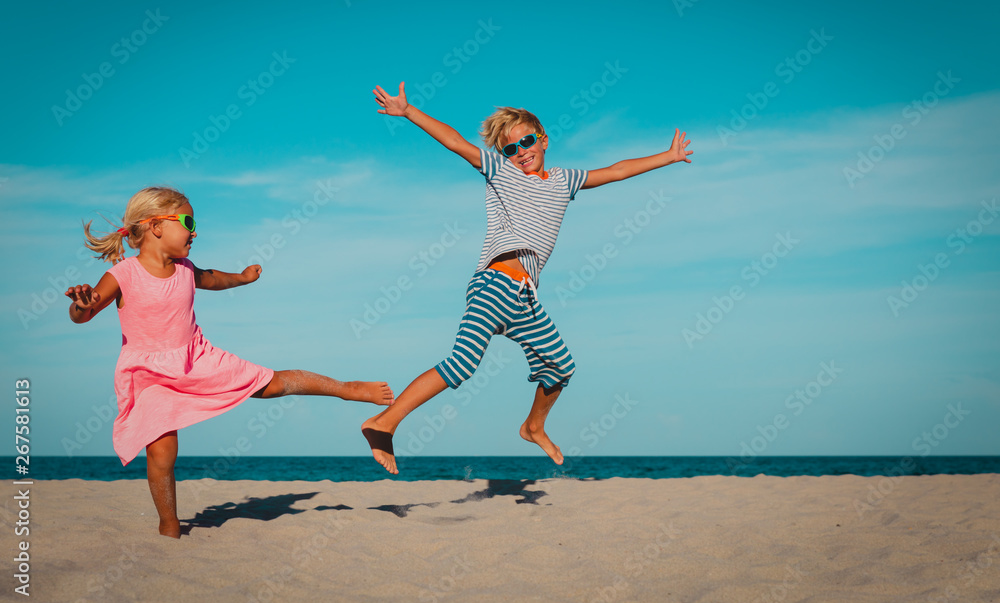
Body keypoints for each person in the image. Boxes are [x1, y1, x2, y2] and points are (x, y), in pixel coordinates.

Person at [362, 82, 692, 474]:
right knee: (462, 363)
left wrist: (668, 156)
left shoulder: (565, 180)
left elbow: (616, 171)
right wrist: (409, 112)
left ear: (543, 139)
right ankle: (384, 423)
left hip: (525, 298)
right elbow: (455, 143)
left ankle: (534, 426)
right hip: (493, 284)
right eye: (511, 148)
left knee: (561, 366)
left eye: (527, 142)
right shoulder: (502, 172)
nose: (521, 152)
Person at [66, 186, 394, 537]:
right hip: (150, 376)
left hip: (196, 358)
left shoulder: (185, 269)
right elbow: (84, 313)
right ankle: (169, 525)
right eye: (188, 222)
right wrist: (81, 305)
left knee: (273, 384)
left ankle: (347, 389)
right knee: (162, 453)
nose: (194, 232)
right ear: (156, 226)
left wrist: (243, 278)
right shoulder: (124, 274)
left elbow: (213, 278)